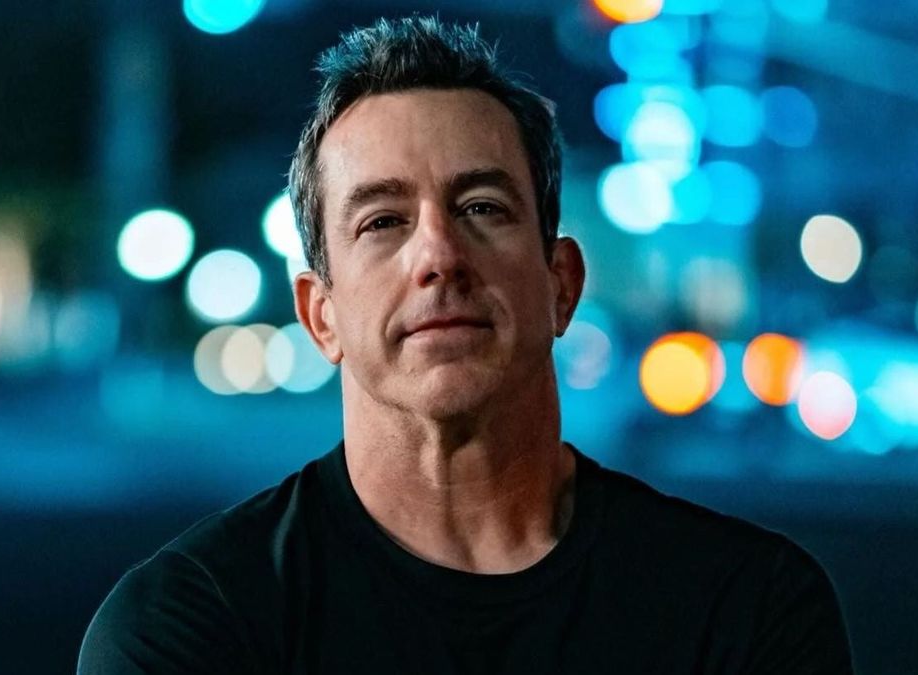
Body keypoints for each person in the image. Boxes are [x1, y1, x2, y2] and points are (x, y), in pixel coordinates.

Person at [78, 16, 852, 674]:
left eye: (481, 206)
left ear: (561, 284)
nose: (439, 255)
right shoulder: (188, 626)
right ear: (321, 316)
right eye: (383, 221)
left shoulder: (748, 607)